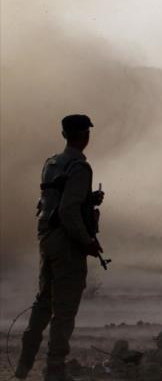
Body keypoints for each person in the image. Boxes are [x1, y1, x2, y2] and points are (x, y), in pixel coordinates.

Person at [16, 115, 104, 381]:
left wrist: (88, 199)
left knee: (43, 302)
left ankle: (23, 365)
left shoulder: (52, 163)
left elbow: (52, 200)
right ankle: (54, 371)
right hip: (67, 244)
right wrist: (87, 241)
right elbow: (67, 210)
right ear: (84, 135)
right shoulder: (79, 167)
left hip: (47, 239)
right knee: (64, 310)